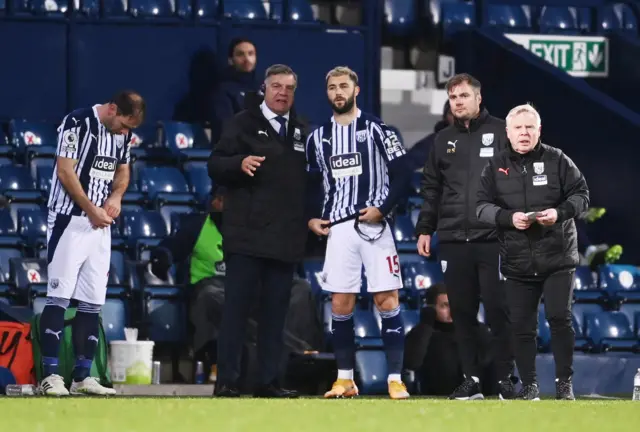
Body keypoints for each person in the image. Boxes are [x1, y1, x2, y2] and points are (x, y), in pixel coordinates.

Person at [306, 66, 411, 400]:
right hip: (339, 230)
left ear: (356, 90)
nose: (338, 92)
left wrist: (383, 209)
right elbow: (310, 183)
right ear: (327, 93)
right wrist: (312, 216)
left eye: (343, 86)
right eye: (332, 87)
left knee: (387, 299)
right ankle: (344, 380)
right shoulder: (317, 138)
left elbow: (404, 174)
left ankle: (395, 378)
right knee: (340, 303)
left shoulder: (378, 129)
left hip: (374, 227)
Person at [208, 64, 309, 398]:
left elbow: (312, 182)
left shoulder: (302, 128)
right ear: (264, 88)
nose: (282, 93)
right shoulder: (241, 122)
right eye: (276, 86)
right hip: (246, 236)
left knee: (275, 316)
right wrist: (238, 164)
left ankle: (269, 382)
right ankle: (227, 382)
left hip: (285, 238)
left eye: (289, 88)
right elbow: (214, 163)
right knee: (236, 312)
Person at [476, 103, 589, 400]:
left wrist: (560, 212)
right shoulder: (495, 165)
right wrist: (507, 218)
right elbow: (480, 207)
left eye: (530, 127)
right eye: (518, 128)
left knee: (559, 318)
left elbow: (581, 195)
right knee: (522, 327)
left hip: (558, 257)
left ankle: (565, 385)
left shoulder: (557, 159)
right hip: (517, 260)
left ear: (539, 131)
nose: (524, 133)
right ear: (508, 132)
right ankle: (530, 386)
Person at [415, 73, 516, 400]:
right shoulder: (443, 139)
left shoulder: (502, 131)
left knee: (499, 310)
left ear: (478, 97)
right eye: (453, 97)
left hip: (493, 239)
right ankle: (470, 379)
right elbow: (431, 188)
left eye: (463, 96)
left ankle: (504, 380)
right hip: (454, 240)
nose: (457, 102)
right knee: (462, 314)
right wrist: (424, 228)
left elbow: (518, 182)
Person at [40, 91, 145, 396]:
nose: (125, 133)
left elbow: (123, 170)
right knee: (58, 295)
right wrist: (90, 209)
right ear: (113, 109)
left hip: (101, 226)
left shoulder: (122, 135)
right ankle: (50, 374)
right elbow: (65, 170)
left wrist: (115, 197)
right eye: (123, 124)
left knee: (92, 300)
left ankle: (83, 376)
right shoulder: (77, 122)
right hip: (69, 220)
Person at [404, 283, 497, 396]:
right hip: (436, 400)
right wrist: (426, 325)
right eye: (445, 305)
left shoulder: (479, 331)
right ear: (431, 308)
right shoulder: (422, 333)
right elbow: (411, 363)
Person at [211, 38, 260, 142]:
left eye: (251, 54)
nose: (246, 59)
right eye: (240, 54)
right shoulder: (223, 90)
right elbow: (226, 129)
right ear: (230, 60)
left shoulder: (264, 88)